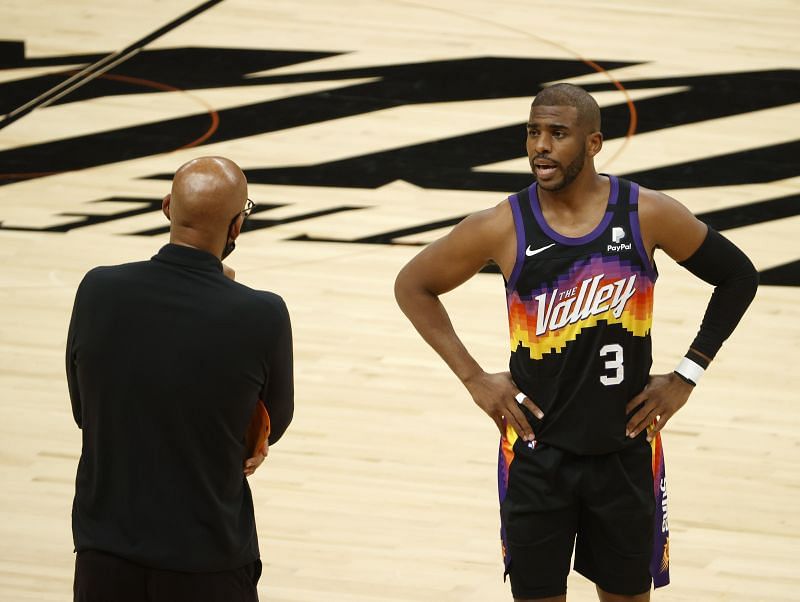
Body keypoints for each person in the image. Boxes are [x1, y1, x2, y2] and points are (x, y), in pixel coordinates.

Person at [394, 84, 758, 602]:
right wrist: (474, 379)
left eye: (557, 134)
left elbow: (738, 276)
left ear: (593, 144)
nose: (541, 146)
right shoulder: (502, 225)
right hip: (537, 458)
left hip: (626, 453)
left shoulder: (643, 213)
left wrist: (686, 376)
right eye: (533, 132)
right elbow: (413, 285)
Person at [66, 156, 294, 602]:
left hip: (104, 556)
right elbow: (273, 426)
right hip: (206, 559)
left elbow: (83, 410)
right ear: (235, 229)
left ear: (168, 206)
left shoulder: (97, 290)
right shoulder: (261, 314)